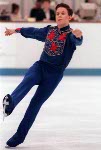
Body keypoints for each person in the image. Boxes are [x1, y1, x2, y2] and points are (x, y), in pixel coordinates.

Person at [3, 3, 83, 147]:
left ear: (70, 16)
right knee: (27, 80)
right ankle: (10, 104)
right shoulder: (49, 31)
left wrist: (79, 36)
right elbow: (33, 31)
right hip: (40, 67)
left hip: (54, 76)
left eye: (63, 13)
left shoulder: (71, 35)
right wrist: (15, 30)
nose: (59, 15)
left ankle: (18, 138)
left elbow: (78, 41)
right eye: (57, 13)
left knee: (34, 105)